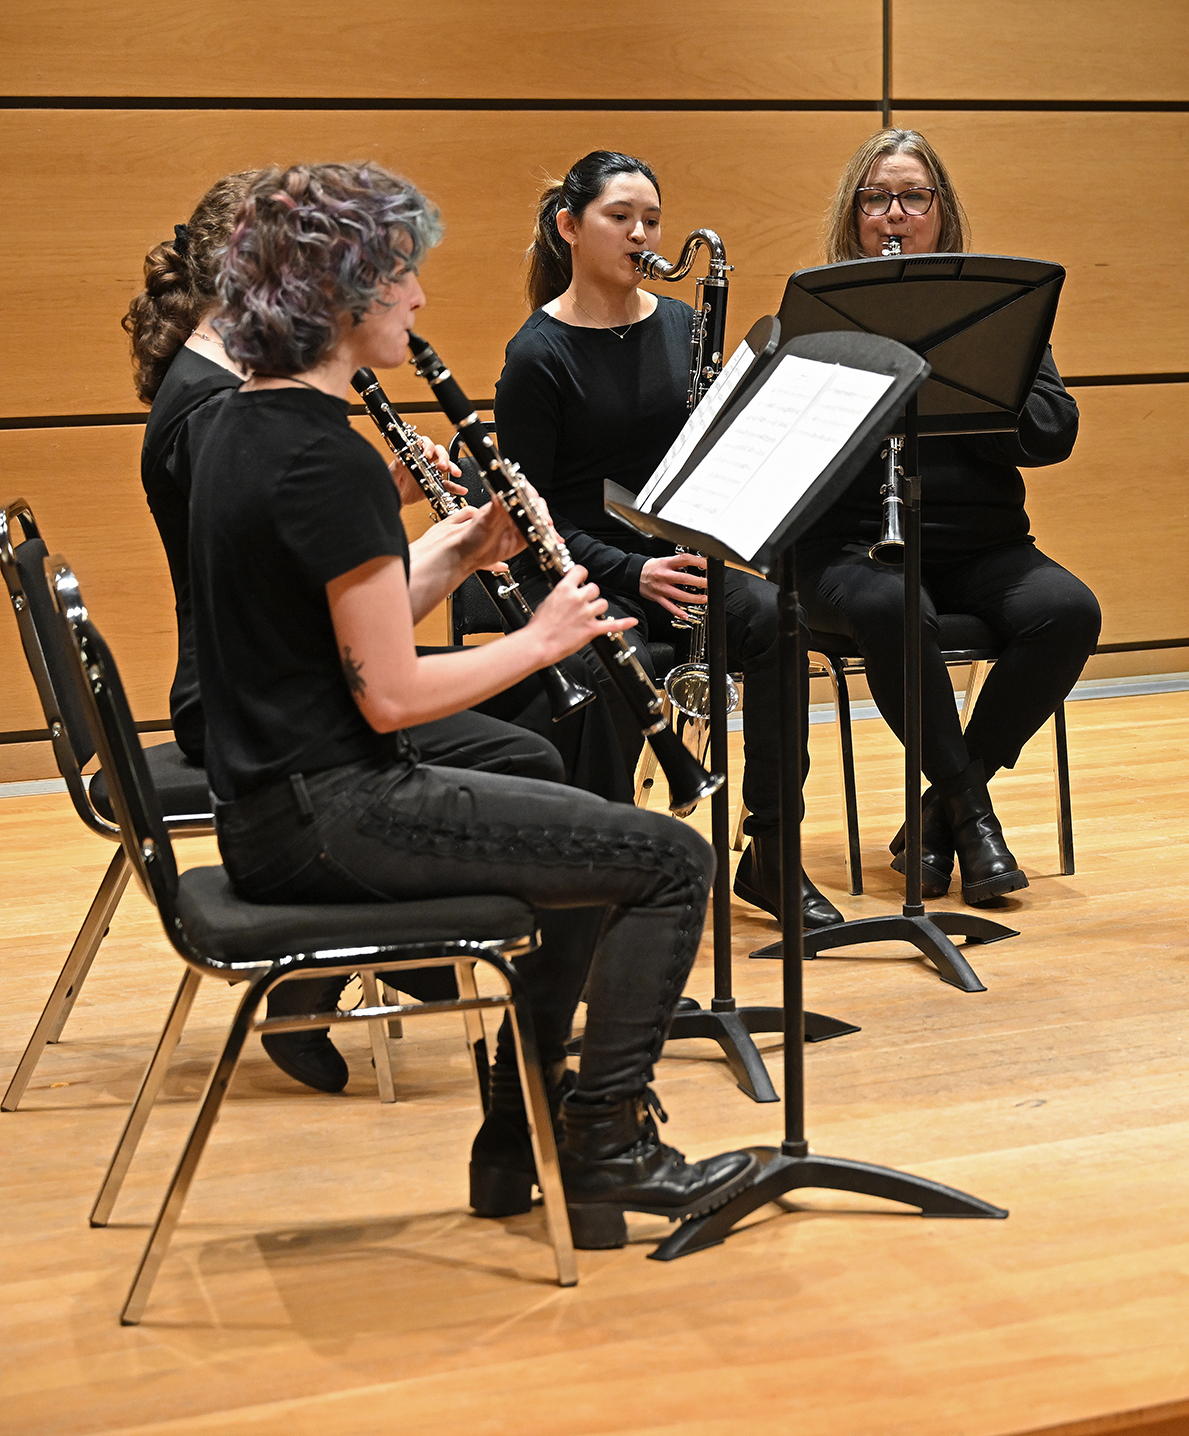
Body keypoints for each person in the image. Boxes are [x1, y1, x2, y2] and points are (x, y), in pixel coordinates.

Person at [190, 161, 753, 1246]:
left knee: (581, 850)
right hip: (332, 811)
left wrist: (450, 554)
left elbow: (332, 641)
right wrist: (544, 638)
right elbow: (394, 693)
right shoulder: (328, 462)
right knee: (668, 862)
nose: (419, 299)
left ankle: (518, 1146)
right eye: (402, 276)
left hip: (275, 801)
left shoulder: (241, 425)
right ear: (341, 294)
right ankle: (603, 1147)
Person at [126, 171, 610, 1094]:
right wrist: (533, 632)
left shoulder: (230, 395)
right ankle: (416, 965)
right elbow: (313, 620)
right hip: (255, 713)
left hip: (272, 684)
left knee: (525, 725)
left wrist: (408, 525)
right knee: (533, 742)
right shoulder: (222, 412)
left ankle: (425, 966)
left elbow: (289, 570)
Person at [494, 149, 842, 930]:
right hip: (584, 575)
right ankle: (606, 880)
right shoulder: (536, 356)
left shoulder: (685, 326)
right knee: (609, 669)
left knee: (779, 619)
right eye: (621, 218)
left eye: (651, 219)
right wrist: (633, 570)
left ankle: (772, 855)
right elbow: (530, 521)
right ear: (570, 228)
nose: (642, 234)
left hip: (677, 561)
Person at [799, 127, 1098, 907]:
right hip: (857, 548)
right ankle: (973, 817)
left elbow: (1053, 431)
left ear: (941, 211)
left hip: (981, 545)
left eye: (912, 198)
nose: (893, 214)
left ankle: (940, 811)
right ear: (855, 213)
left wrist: (965, 388)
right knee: (895, 606)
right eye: (876, 198)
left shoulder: (989, 313)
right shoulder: (824, 310)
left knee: (1068, 611)